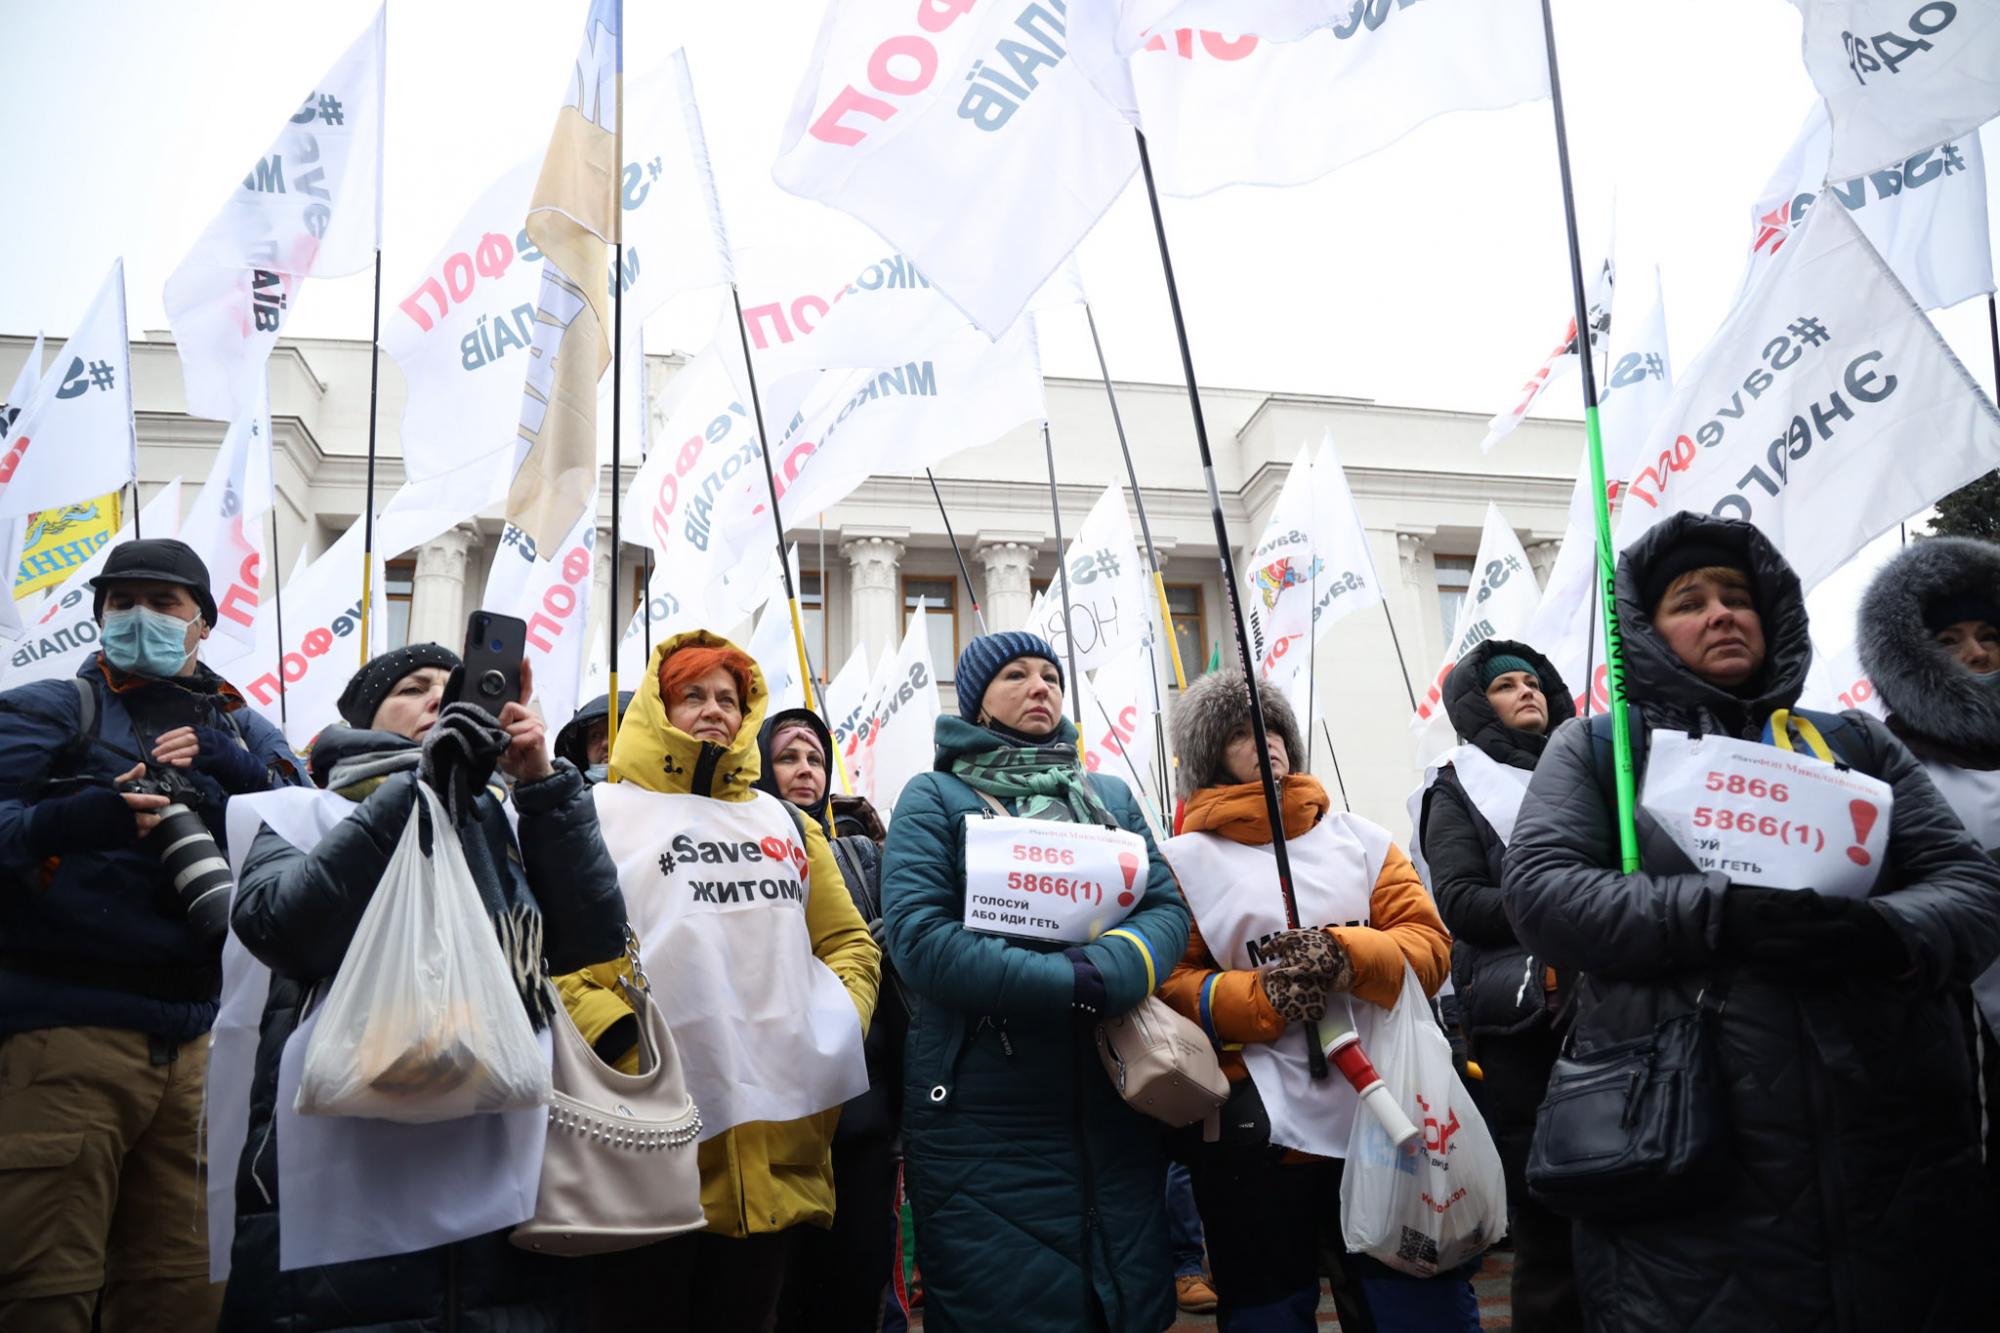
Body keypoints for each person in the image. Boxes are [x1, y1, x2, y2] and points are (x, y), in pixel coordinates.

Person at [1505, 513, 2000, 1332]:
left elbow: (1971, 888)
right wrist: (1716, 914)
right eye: (1688, 601)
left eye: (1736, 596)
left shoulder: (1855, 742)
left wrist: (1882, 931)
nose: (1720, 613)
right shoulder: (1601, 748)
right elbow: (1544, 892)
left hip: (1889, 1149)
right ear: (1647, 629)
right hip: (1686, 1155)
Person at [218, 643, 628, 1331]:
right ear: (363, 714)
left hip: (504, 1198)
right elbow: (283, 929)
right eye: (414, 686)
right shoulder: (299, 812)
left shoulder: (506, 821)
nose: (441, 697)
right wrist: (418, 793)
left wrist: (542, 783)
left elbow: (591, 937)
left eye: (453, 684)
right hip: (343, 1192)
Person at [0, 537, 303, 1332]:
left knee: (184, 1293)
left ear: (202, 622)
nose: (140, 616)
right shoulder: (53, 708)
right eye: (121, 601)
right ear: (98, 615)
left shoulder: (245, 725)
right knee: (43, 1290)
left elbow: (316, 833)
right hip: (65, 1037)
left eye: (164, 603)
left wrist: (232, 769)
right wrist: (78, 816)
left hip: (200, 1051)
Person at [881, 631, 1192, 1333]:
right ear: (977, 701)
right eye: (1016, 674)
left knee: (1123, 1301)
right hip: (982, 1112)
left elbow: (1166, 906)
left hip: (1113, 1099)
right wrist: (1068, 982)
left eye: (1050, 674)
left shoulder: (1106, 793)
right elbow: (920, 940)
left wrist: (1104, 974)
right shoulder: (934, 797)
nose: (1039, 685)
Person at [1158, 670, 1474, 1333]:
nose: (1266, 741)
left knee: (1417, 1307)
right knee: (1266, 1313)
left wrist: (1347, 954)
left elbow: (1429, 944)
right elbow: (1167, 983)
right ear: (1211, 751)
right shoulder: (1178, 860)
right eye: (1242, 732)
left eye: (1273, 728)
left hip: (1390, 1119)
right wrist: (1260, 996)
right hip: (1256, 1135)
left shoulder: (1361, 839)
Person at [586, 632, 879, 1333]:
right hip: (647, 1133)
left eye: (729, 697)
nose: (714, 709)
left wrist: (835, 1022)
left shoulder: (784, 821)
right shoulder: (600, 813)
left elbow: (846, 941)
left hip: (776, 1145)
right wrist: (624, 1043)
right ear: (658, 706)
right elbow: (566, 957)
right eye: (693, 695)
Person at [1416, 639, 1581, 1333]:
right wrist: (1572, 900)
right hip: (1521, 1024)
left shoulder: (1595, 769)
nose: (1527, 691)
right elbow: (1458, 899)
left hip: (1606, 1008)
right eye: (1507, 685)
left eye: (1533, 681)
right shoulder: (1457, 783)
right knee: (1549, 1224)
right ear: (1478, 703)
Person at [1858, 535, 2000, 1190]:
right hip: (1959, 1032)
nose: (1977, 652)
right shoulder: (1885, 764)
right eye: (1950, 640)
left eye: (1988, 633)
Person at [761, 706, 909, 1333]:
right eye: (788, 757)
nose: (804, 770)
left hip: (865, 1093)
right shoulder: (747, 840)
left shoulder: (863, 849)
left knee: (858, 1271)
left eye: (815, 759)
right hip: (780, 1097)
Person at [553, 689, 631, 782]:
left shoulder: (652, 794)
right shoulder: (568, 794)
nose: (606, 743)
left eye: (616, 732)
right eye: (595, 736)